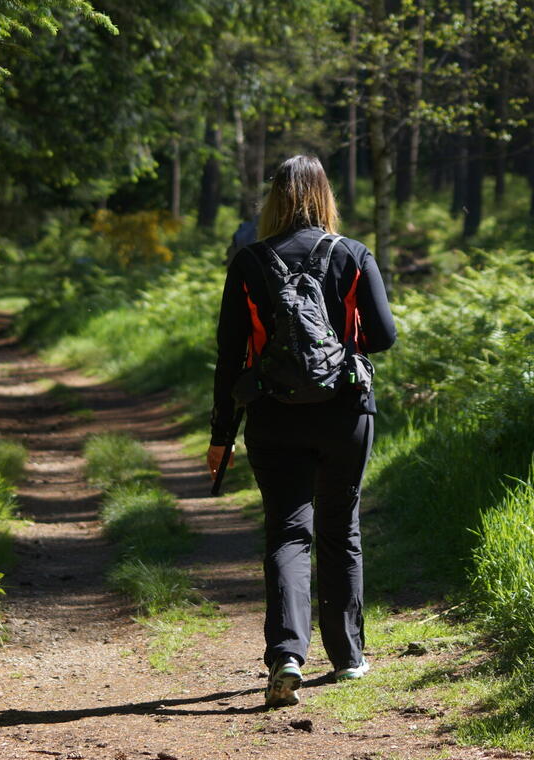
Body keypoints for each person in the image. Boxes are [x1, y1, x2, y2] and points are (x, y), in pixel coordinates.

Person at [206, 155, 397, 708]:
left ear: (274, 200)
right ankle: (348, 656)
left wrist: (221, 435)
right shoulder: (353, 254)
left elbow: (230, 356)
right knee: (341, 526)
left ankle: (287, 654)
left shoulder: (249, 262)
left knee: (288, 532)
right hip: (347, 411)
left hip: (274, 415)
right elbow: (383, 336)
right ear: (325, 196)